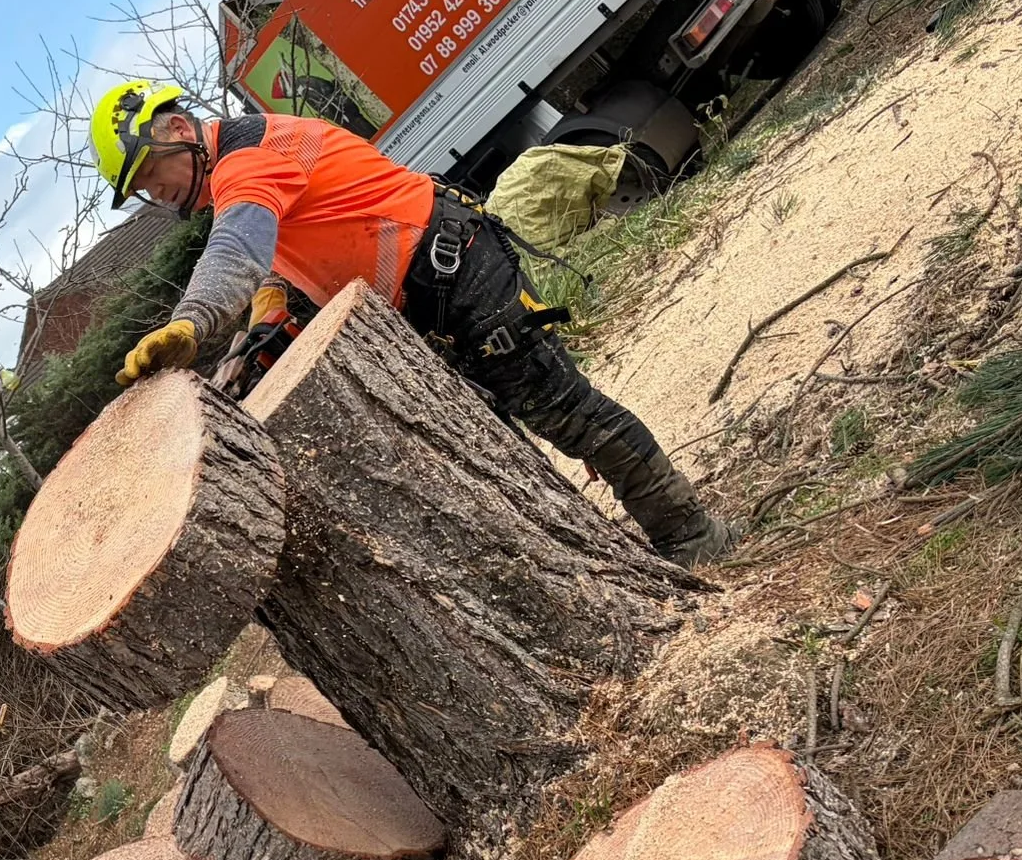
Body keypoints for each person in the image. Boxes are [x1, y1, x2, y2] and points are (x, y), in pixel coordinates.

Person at [90, 80, 732, 567]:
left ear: (176, 127)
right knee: (499, 447)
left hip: (457, 272)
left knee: (564, 410)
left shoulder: (250, 157)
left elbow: (238, 248)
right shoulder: (247, 170)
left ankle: (693, 536)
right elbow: (276, 268)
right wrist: (261, 335)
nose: (155, 192)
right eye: (140, 188)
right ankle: (612, 562)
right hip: (427, 301)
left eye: (149, 172)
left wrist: (194, 323)